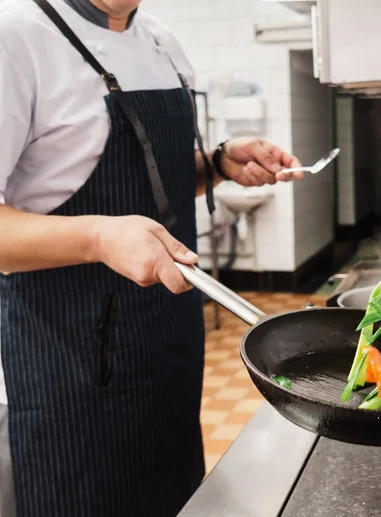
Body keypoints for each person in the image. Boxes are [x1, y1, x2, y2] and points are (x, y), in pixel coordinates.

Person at [0, 0, 303, 515]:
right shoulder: (15, 37)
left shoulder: (161, 42)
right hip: (68, 363)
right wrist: (98, 237)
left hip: (167, 346)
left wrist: (218, 163)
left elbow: (151, 177)